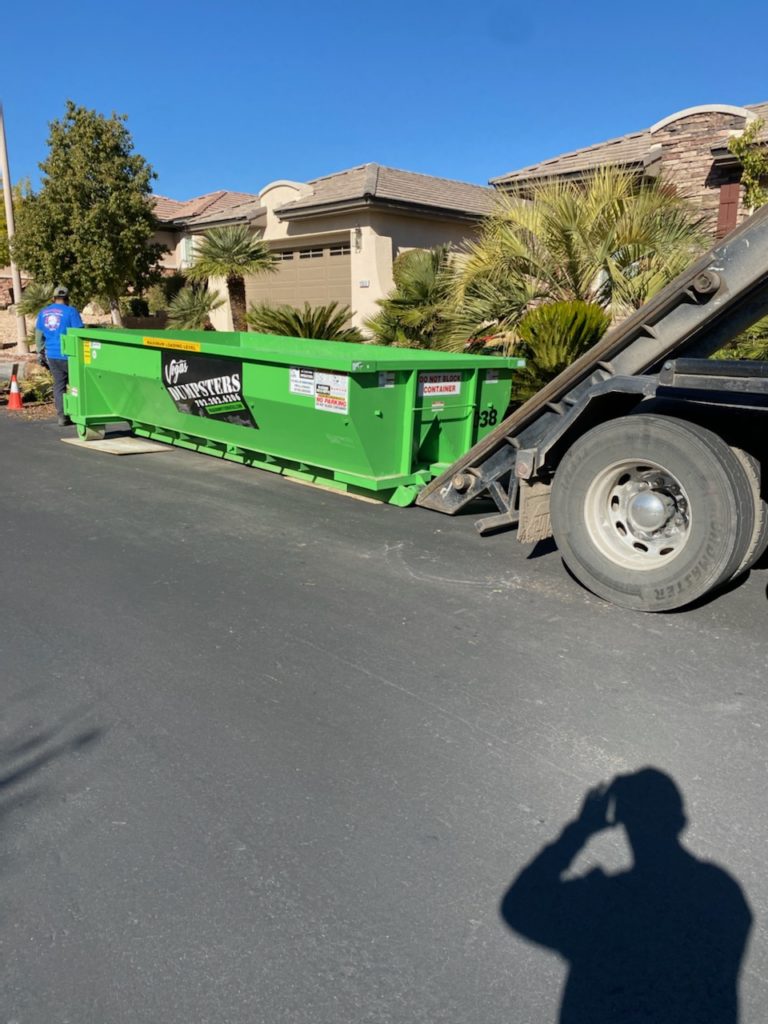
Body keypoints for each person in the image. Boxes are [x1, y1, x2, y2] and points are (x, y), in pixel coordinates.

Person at [501, 769, 752, 1023]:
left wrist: (580, 830)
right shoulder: (720, 894)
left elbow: (519, 906)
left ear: (625, 823)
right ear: (679, 821)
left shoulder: (608, 903)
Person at [35, 285, 84, 426]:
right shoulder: (71, 311)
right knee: (77, 384)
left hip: (52, 355)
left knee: (59, 386)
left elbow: (39, 337)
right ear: (67, 298)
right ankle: (79, 413)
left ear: (53, 298)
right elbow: (78, 333)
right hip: (69, 355)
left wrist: (40, 352)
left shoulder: (43, 313)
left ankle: (62, 416)